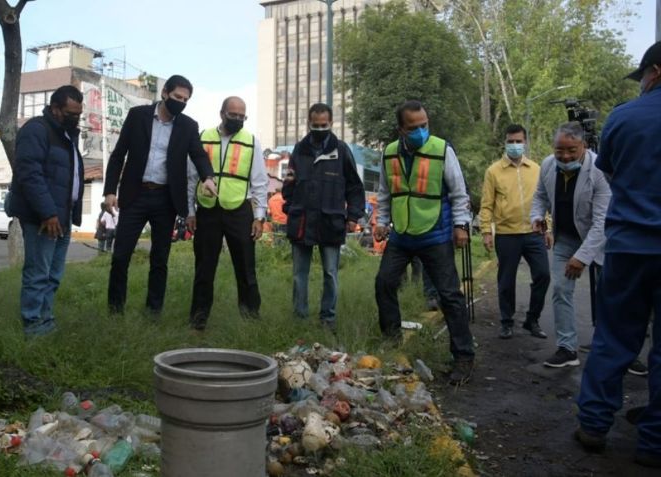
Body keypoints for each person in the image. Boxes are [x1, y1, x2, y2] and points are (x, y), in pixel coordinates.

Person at [574, 41, 661, 467]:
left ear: (656, 72)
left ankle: (593, 425)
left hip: (628, 245)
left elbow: (608, 169)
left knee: (613, 337)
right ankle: (655, 443)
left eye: (643, 75)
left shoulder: (624, 116)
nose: (641, 83)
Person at [373, 100, 475, 385]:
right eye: (413, 127)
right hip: (402, 234)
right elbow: (384, 192)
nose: (420, 131)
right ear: (400, 129)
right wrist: (381, 222)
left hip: (436, 234)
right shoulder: (390, 153)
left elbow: (458, 192)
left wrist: (461, 226)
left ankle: (464, 357)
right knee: (384, 283)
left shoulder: (443, 150)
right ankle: (392, 342)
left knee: (449, 296)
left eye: (424, 125)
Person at [103, 75, 217, 315]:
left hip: (165, 200)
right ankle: (115, 309)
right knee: (121, 255)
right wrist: (110, 191)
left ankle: (153, 311)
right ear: (165, 93)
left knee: (160, 259)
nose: (181, 102)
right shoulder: (138, 116)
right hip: (135, 195)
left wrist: (208, 177)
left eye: (185, 100)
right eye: (177, 97)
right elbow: (118, 154)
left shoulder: (188, 125)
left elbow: (198, 154)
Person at [6, 85, 85, 337]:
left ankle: (45, 320)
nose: (75, 119)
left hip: (61, 216)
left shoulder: (65, 134)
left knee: (53, 275)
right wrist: (47, 213)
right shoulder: (37, 130)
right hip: (44, 218)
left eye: (78, 114)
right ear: (55, 109)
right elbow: (30, 174)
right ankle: (32, 325)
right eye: (71, 113)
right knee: (38, 273)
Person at [529, 122, 610, 368]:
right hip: (565, 238)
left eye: (571, 150)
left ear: (584, 146)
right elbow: (540, 195)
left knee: (610, 295)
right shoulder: (547, 165)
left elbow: (602, 222)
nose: (564, 156)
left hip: (600, 241)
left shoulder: (599, 170)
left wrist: (582, 257)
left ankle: (617, 351)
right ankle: (567, 348)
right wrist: (537, 216)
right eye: (559, 150)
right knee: (561, 291)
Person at [185, 96, 269, 330]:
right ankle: (197, 322)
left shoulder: (251, 141)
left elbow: (260, 183)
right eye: (234, 115)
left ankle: (251, 319)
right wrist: (189, 211)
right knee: (204, 269)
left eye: (242, 117)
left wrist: (259, 217)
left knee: (246, 269)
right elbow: (191, 177)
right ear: (222, 113)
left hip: (239, 212)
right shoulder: (203, 137)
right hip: (207, 211)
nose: (238, 120)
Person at [283, 103, 365, 331]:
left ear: (331, 123)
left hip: (331, 221)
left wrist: (353, 216)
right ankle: (300, 318)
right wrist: (290, 207)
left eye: (324, 125)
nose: (319, 128)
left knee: (330, 273)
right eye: (315, 125)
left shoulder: (340, 149)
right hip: (301, 222)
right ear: (308, 123)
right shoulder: (299, 149)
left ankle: (327, 318)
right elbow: (288, 183)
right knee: (300, 274)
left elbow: (355, 187)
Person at [479, 124, 550, 340]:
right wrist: (486, 231)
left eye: (519, 141)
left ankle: (532, 319)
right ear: (505, 142)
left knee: (543, 275)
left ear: (525, 142)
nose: (515, 145)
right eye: (511, 141)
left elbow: (545, 200)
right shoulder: (493, 171)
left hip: (534, 232)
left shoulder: (537, 169)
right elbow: (486, 204)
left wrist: (549, 227)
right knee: (506, 281)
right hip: (507, 234)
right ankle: (506, 322)